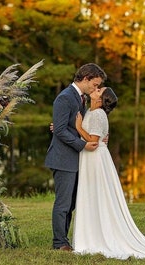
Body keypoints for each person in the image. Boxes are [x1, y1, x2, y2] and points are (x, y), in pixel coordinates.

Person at [72, 87, 145, 259]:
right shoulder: (91, 110)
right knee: (92, 194)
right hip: (90, 158)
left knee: (97, 195)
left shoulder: (98, 114)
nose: (96, 89)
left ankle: (97, 235)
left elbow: (94, 141)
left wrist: (79, 128)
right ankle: (90, 232)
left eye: (99, 90)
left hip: (95, 160)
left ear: (101, 99)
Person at [44, 63, 107, 251]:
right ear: (86, 78)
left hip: (76, 159)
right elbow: (61, 131)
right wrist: (83, 144)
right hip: (63, 158)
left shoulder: (80, 98)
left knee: (71, 203)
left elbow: (66, 126)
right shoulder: (64, 98)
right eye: (95, 85)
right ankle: (59, 243)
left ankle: (65, 240)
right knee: (63, 203)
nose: (96, 89)